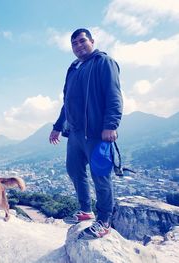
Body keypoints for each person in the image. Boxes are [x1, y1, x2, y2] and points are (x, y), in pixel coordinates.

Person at [49, 28, 123, 239]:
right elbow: (68, 102)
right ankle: (86, 211)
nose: (79, 46)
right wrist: (57, 126)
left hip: (97, 133)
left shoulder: (103, 63)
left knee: (100, 175)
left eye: (82, 41)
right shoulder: (73, 68)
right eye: (74, 43)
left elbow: (114, 95)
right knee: (74, 170)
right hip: (75, 133)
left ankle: (105, 220)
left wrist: (111, 125)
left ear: (92, 41)